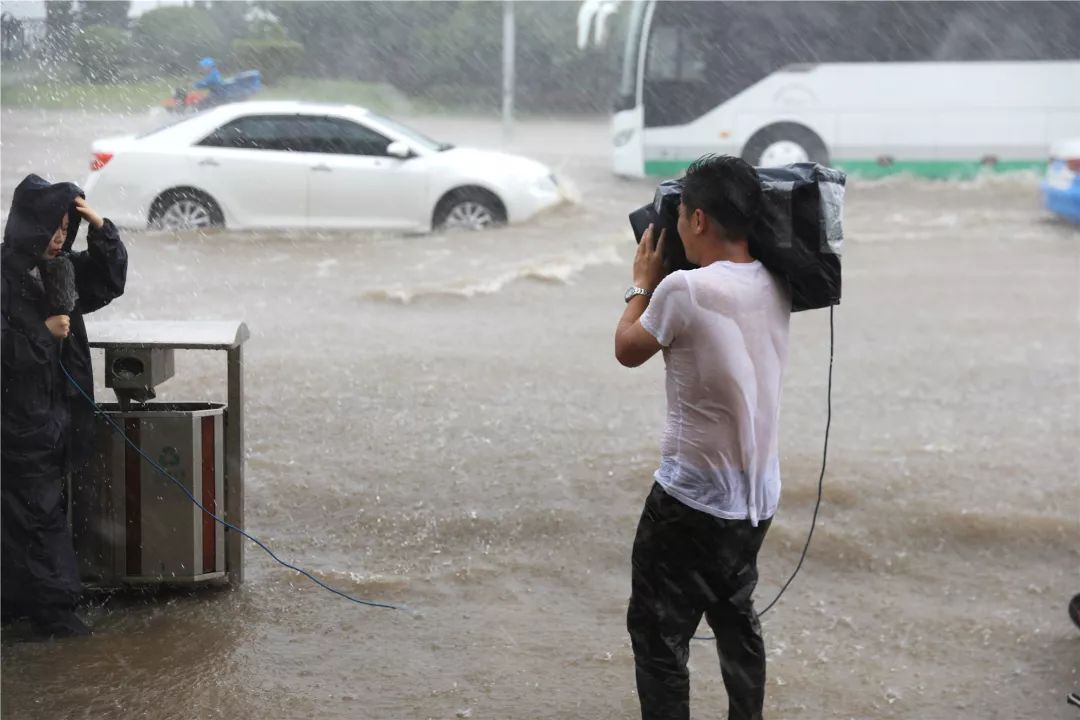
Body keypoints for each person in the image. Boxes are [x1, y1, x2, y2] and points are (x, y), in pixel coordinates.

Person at [614, 155, 790, 720]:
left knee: (658, 635)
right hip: (757, 497)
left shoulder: (684, 289)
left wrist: (639, 283)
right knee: (735, 617)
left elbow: (627, 349)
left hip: (690, 500)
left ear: (695, 220)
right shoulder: (777, 280)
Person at [1, 174, 128, 638]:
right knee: (40, 520)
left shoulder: (60, 272)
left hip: (54, 423)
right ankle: (56, 614)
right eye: (51, 228)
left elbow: (108, 283)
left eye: (65, 229)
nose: (58, 238)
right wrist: (43, 336)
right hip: (17, 428)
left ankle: (20, 605)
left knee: (31, 517)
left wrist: (101, 229)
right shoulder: (5, 277)